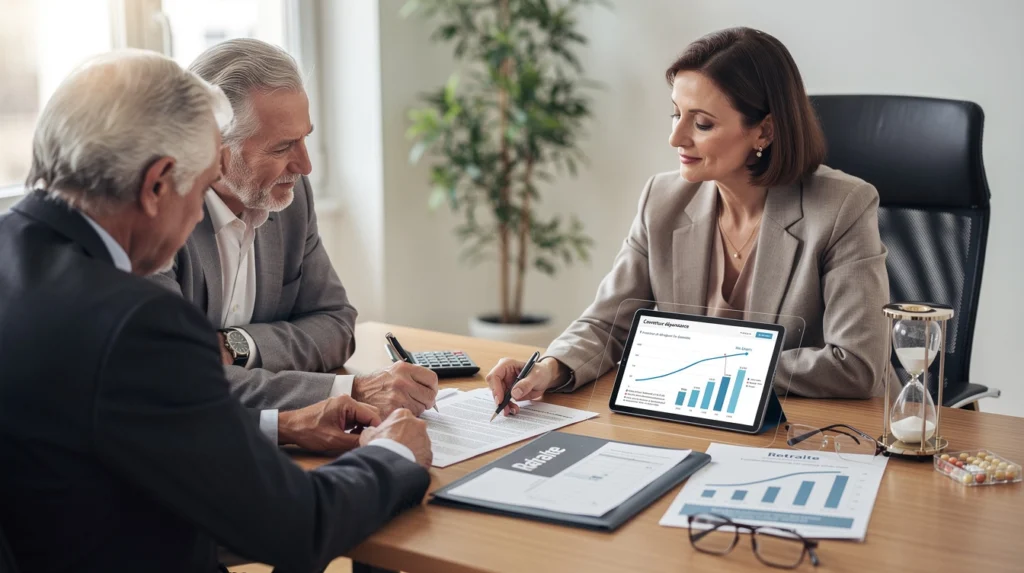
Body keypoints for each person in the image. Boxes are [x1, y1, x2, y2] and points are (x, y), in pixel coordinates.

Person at [0, 50, 432, 573]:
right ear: (158, 184)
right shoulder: (135, 322)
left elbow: (122, 425)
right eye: (205, 185)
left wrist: (282, 424)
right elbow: (297, 528)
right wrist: (393, 455)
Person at [486, 27, 895, 412]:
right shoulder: (662, 200)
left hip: (816, 432)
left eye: (701, 123)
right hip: (701, 416)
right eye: (675, 114)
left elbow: (856, 364)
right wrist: (549, 368)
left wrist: (702, 368)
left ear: (765, 132)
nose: (676, 137)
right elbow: (607, 323)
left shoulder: (843, 206)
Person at [149, 38, 439, 422]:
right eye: (283, 147)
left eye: (305, 139)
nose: (305, 166)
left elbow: (336, 324)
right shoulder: (156, 218)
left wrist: (239, 344)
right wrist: (349, 390)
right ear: (215, 150)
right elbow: (178, 381)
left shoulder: (289, 197)